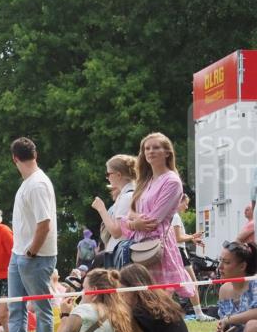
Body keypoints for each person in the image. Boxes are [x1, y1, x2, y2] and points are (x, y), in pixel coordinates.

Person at [118, 133, 194, 301]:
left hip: (157, 248)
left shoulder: (172, 181)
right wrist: (135, 222)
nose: (150, 151)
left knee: (157, 300)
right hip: (138, 246)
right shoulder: (146, 180)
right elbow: (130, 212)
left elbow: (153, 221)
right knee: (139, 299)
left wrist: (132, 222)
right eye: (147, 148)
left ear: (167, 152)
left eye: (156, 147)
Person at [7, 137, 58, 332]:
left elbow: (44, 224)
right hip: (19, 253)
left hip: (35, 256)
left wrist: (31, 252)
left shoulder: (37, 184)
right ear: (35, 155)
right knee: (15, 306)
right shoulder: (29, 183)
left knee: (41, 307)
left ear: (14, 159)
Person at [188, 241, 257, 332]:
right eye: (220, 261)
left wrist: (230, 319)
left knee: (252, 327)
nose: (220, 267)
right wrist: (223, 329)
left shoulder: (254, 282)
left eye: (226, 262)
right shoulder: (224, 289)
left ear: (242, 266)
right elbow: (225, 319)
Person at [171, 194, 215, 321]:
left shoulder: (172, 216)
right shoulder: (175, 216)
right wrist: (193, 236)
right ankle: (199, 314)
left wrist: (192, 239)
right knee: (193, 282)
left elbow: (178, 236)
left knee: (171, 286)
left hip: (176, 252)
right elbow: (178, 238)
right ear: (179, 202)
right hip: (179, 252)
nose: (187, 206)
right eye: (186, 203)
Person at [91, 154, 137, 268]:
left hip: (120, 253)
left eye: (108, 174)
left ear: (118, 175)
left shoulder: (126, 197)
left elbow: (116, 232)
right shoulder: (130, 194)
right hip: (121, 251)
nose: (107, 178)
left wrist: (101, 209)